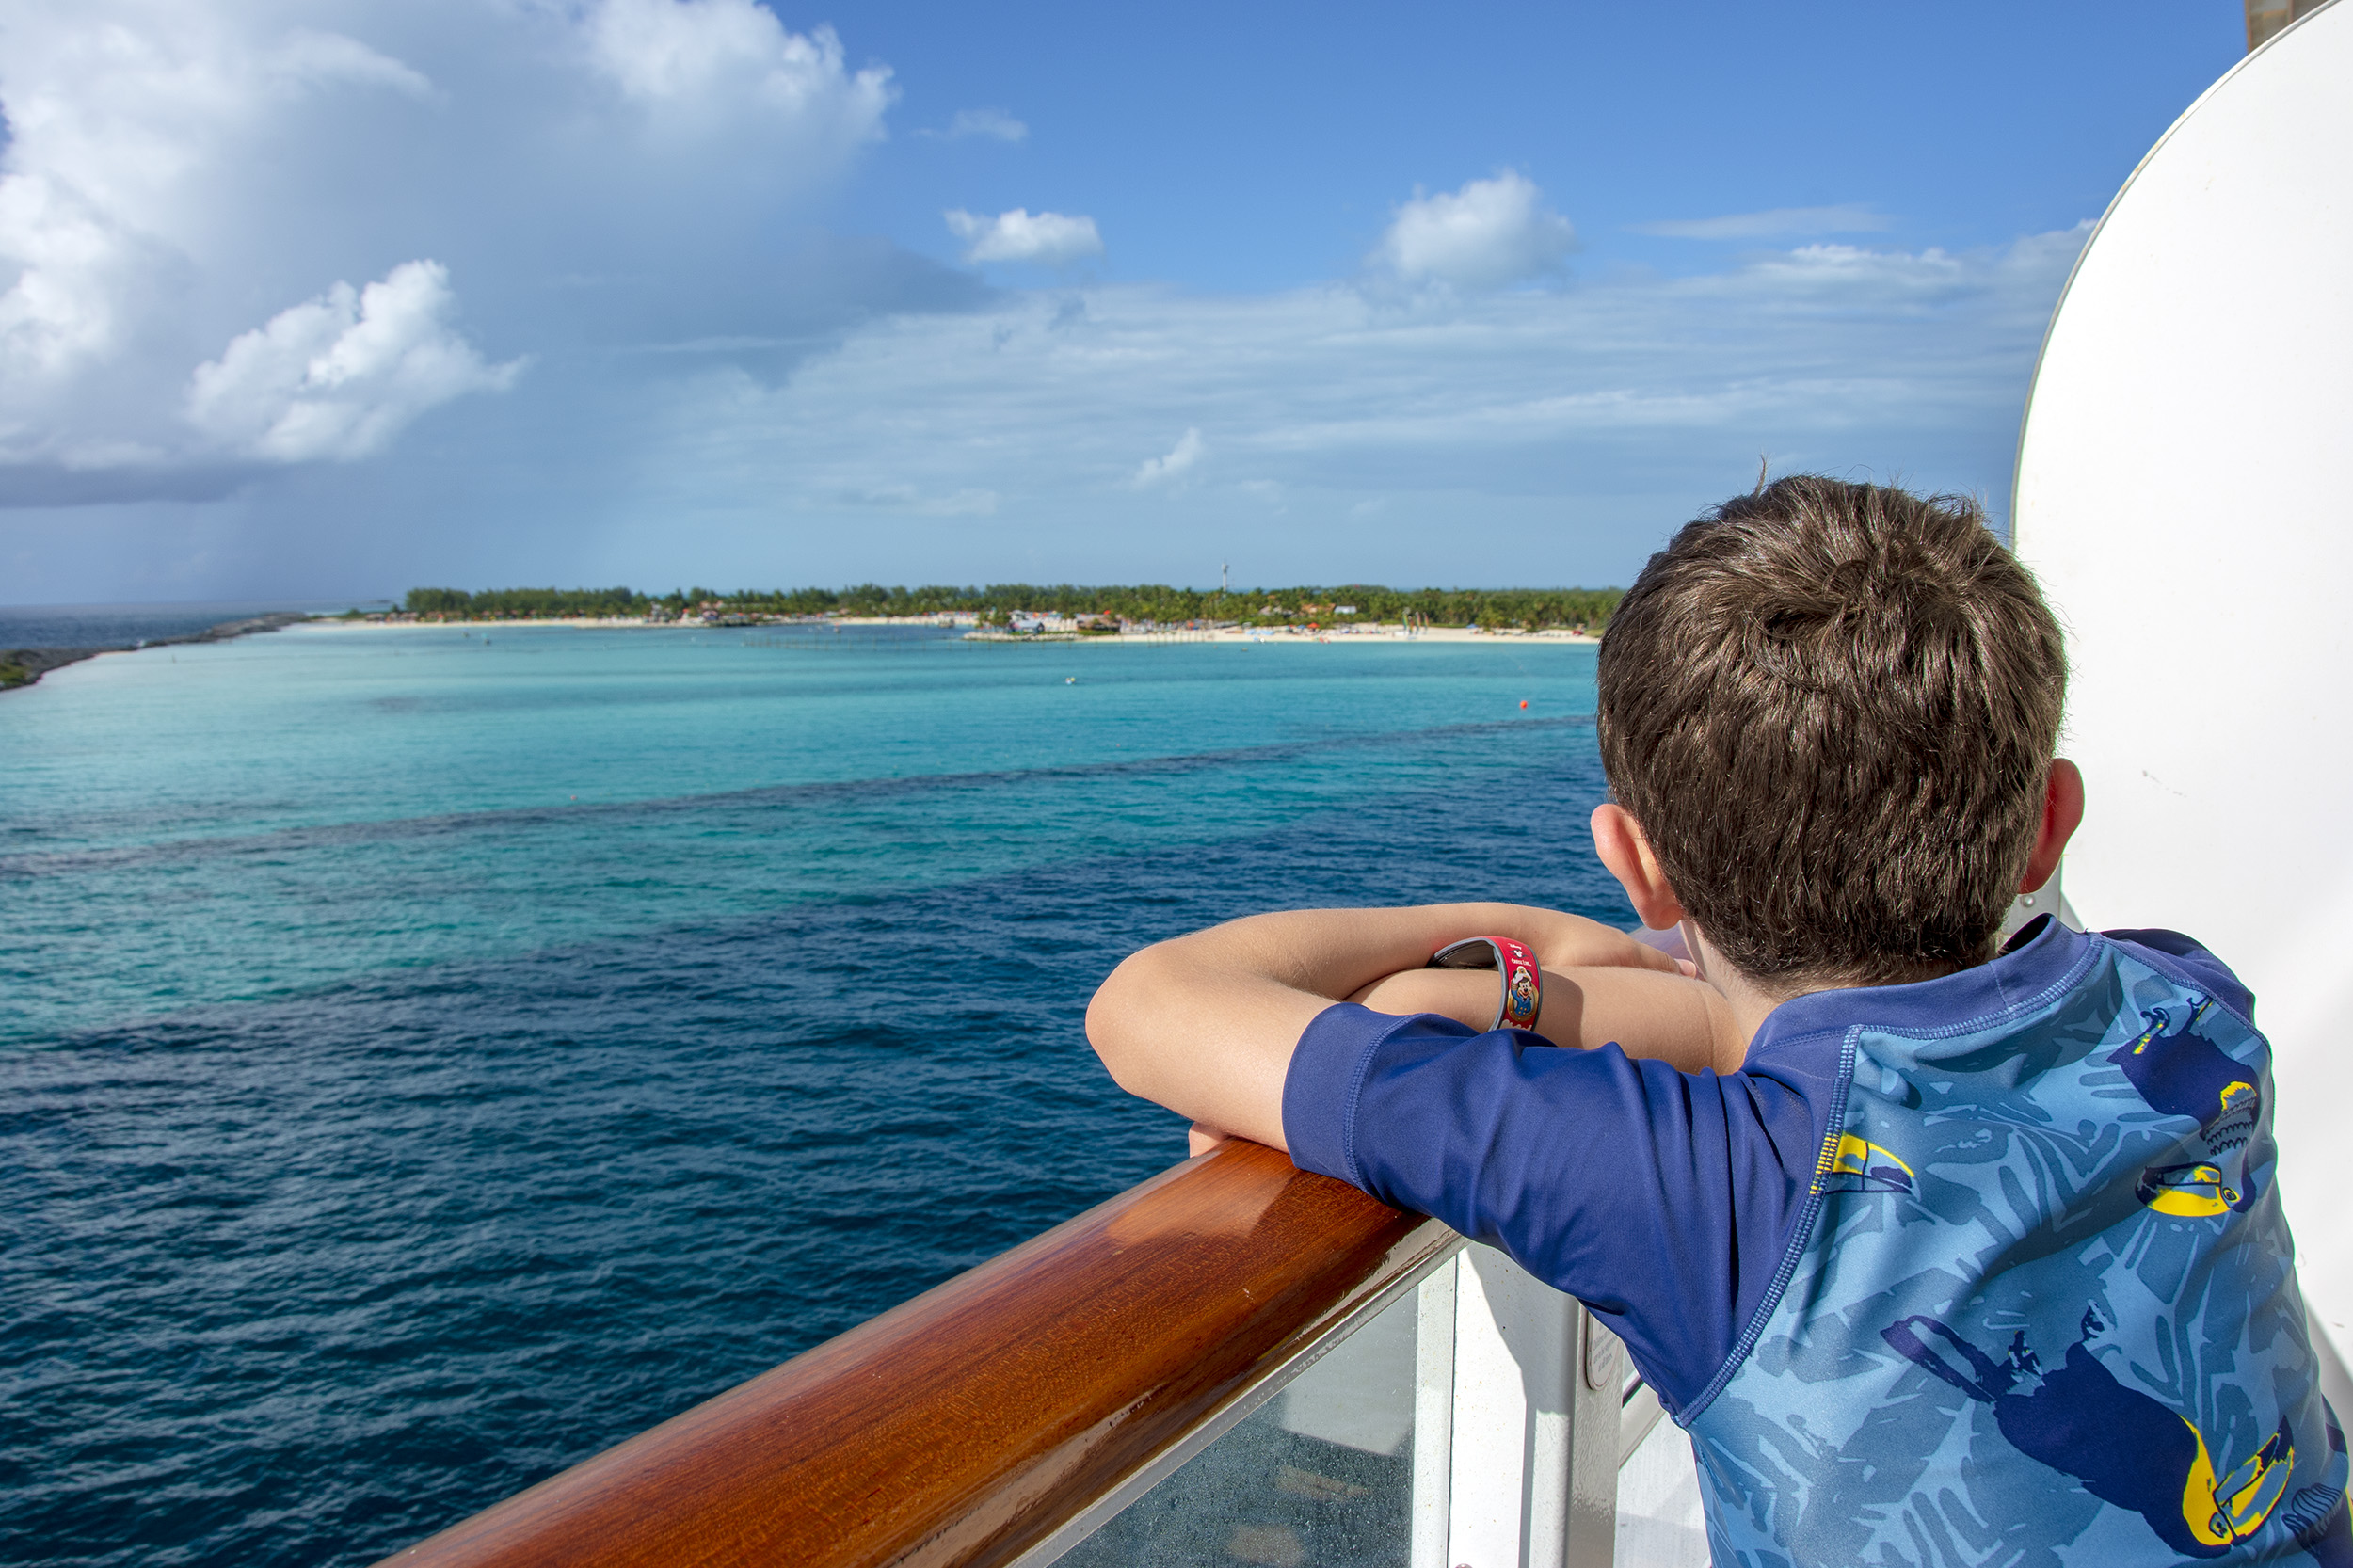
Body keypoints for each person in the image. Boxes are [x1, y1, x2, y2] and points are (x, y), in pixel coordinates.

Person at [1085, 476, 2349, 1565]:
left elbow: (1145, 1008)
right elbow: (1794, 1025)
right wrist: (1488, 984)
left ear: (1635, 864)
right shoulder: (2190, 1005)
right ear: (2049, 825)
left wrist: (1478, 941)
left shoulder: (1720, 1188)